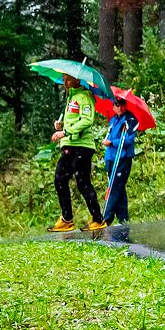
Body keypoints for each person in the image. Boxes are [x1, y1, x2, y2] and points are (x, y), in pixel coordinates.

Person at [47, 73, 106, 232]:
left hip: (82, 146)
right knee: (60, 179)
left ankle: (98, 219)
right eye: (64, 79)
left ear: (77, 80)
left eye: (68, 79)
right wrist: (61, 126)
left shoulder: (84, 97)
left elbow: (87, 120)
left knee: (83, 183)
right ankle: (67, 219)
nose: (65, 82)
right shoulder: (70, 98)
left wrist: (65, 132)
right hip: (69, 146)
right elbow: (73, 121)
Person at [102, 97, 139, 225]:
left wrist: (112, 142)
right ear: (113, 106)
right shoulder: (113, 120)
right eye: (117, 104)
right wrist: (107, 142)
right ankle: (123, 218)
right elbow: (108, 136)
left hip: (122, 158)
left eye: (123, 104)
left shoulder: (130, 119)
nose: (120, 107)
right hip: (111, 158)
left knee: (114, 187)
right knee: (119, 188)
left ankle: (106, 219)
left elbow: (128, 139)